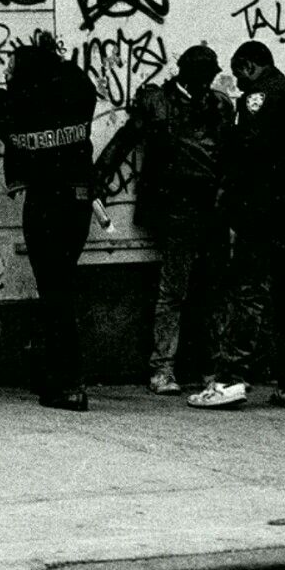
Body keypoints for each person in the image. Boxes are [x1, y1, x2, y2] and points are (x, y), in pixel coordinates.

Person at [0, 27, 97, 412]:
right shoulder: (77, 96)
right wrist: (52, 54)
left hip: (46, 206)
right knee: (60, 286)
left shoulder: (17, 108)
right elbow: (78, 78)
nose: (6, 72)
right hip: (80, 201)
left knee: (54, 293)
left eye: (11, 67)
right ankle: (55, 377)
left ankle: (67, 383)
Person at [188, 40, 285, 411]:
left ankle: (231, 378)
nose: (238, 85)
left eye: (239, 75)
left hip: (265, 212)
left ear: (250, 66)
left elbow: (250, 154)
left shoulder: (260, 97)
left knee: (248, 290)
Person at [91, 45, 234, 395]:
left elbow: (232, 154)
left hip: (213, 208)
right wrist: (99, 177)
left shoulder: (219, 104)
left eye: (208, 74)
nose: (205, 81)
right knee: (175, 290)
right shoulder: (158, 103)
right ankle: (163, 367)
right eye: (200, 73)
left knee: (213, 290)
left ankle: (210, 367)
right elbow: (125, 139)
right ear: (183, 71)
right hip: (177, 208)